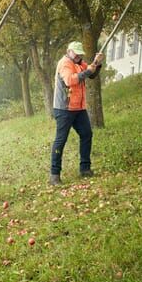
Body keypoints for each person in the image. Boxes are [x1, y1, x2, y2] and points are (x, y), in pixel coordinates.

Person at [50, 41, 104, 186]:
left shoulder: (79, 62)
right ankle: (54, 175)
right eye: (76, 53)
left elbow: (92, 75)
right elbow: (70, 80)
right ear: (69, 51)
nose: (79, 55)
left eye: (80, 53)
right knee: (60, 141)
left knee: (87, 134)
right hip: (64, 109)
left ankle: (85, 169)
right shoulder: (65, 63)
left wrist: (97, 64)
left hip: (79, 108)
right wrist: (88, 71)